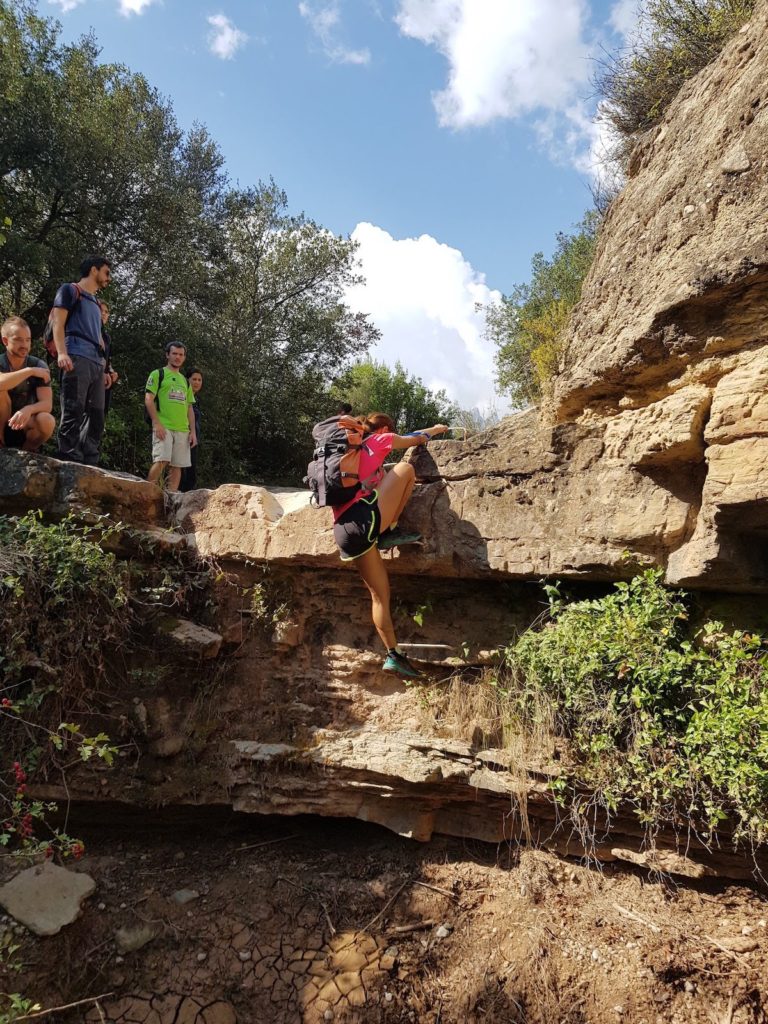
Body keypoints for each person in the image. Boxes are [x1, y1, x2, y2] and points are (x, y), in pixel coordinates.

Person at [331, 412, 448, 678]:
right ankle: (388, 531)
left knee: (378, 595)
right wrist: (437, 428)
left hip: (344, 531)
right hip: (365, 521)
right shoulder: (380, 440)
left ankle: (393, 655)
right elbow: (415, 439)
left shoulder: (349, 452)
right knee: (405, 469)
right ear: (384, 428)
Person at [51, 255, 112, 464]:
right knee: (73, 409)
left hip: (96, 363)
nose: (108, 278)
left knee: (97, 416)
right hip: (75, 354)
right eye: (106, 272)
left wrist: (105, 369)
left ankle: (90, 462)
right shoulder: (69, 290)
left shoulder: (96, 302)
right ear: (94, 270)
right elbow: (57, 323)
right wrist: (61, 352)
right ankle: (69, 459)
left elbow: (100, 339)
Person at [145, 342, 197, 492]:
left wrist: (192, 431)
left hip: (182, 429)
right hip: (164, 426)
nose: (177, 357)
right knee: (162, 460)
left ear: (184, 357)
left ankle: (171, 497)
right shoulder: (158, 374)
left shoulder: (184, 381)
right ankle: (147, 493)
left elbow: (189, 407)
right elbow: (149, 399)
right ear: (167, 355)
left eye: (181, 355)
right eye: (174, 354)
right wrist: (156, 423)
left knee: (177, 466)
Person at [0, 317, 55, 452]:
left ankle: (27, 453)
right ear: (5, 341)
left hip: (24, 425)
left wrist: (28, 409)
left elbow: (47, 405)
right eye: (18, 340)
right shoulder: (31, 368)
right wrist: (29, 371)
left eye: (28, 340)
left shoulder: (38, 364)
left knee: (47, 420)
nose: (24, 345)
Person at [179, 369, 203, 492]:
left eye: (199, 380)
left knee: (191, 473)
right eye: (194, 379)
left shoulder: (196, 400)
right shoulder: (182, 397)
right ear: (187, 380)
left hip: (193, 440)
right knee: (183, 473)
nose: (197, 382)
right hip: (182, 437)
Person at [99, 302, 119, 419]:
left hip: (104, 384)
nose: (103, 314)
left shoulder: (106, 337)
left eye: (106, 312)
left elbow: (108, 359)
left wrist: (111, 372)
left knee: (99, 419)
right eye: (100, 310)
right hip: (89, 379)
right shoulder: (87, 331)